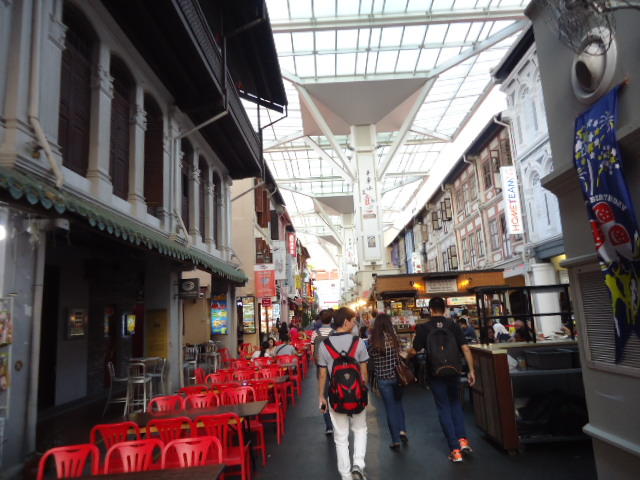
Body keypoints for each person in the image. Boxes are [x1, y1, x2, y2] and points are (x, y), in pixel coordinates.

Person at [412, 297, 476, 463]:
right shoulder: (453, 325)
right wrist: (471, 370)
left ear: (430, 309)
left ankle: (455, 450)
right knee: (455, 404)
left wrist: (406, 353)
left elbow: (415, 349)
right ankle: (463, 440)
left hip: (435, 373)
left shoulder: (424, 327)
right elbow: (465, 348)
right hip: (454, 371)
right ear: (445, 309)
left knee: (443, 408)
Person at [318, 307, 369, 480]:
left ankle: (346, 475)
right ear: (346, 322)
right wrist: (363, 390)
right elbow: (364, 373)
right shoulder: (358, 342)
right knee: (360, 429)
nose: (355, 324)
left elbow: (323, 375)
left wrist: (321, 396)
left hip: (335, 395)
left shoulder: (324, 345)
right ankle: (358, 464)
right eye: (353, 321)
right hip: (357, 394)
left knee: (340, 437)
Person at [368, 313, 408, 449]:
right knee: (399, 404)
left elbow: (369, 357)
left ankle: (395, 440)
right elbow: (401, 354)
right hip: (397, 376)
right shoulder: (393, 338)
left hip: (383, 378)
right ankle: (402, 430)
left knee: (390, 408)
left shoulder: (373, 341)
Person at [311, 309, 335, 434]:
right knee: (336, 392)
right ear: (331, 319)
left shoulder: (315, 333)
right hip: (334, 367)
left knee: (323, 394)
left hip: (321, 367)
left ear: (320, 319)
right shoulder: (335, 333)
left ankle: (328, 425)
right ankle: (337, 421)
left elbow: (312, 351)